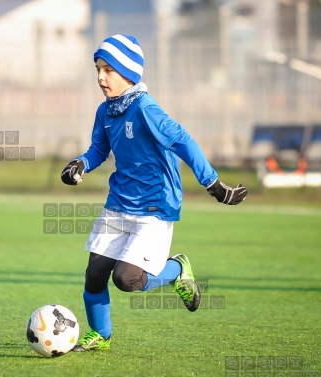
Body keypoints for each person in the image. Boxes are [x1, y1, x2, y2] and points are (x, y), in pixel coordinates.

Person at [60, 34, 247, 352]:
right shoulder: (105, 112)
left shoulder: (146, 109)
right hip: (119, 203)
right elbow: (98, 150)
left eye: (108, 70)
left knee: (126, 279)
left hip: (154, 207)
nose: (101, 77)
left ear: (129, 73)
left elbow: (183, 141)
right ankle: (101, 336)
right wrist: (81, 164)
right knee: (94, 274)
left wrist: (213, 184)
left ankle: (176, 269)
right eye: (98, 69)